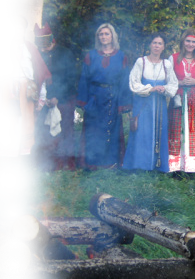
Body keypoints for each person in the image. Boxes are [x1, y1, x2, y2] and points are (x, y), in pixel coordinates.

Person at [77, 23, 131, 169]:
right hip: (95, 97)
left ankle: (111, 164)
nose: (104, 37)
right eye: (101, 34)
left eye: (107, 34)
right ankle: (92, 163)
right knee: (93, 131)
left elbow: (124, 81)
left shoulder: (121, 56)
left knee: (111, 131)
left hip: (113, 97)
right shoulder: (91, 55)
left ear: (112, 36)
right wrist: (83, 101)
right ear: (98, 37)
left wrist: (123, 103)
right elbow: (84, 78)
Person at [1, 15, 51, 171]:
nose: (17, 32)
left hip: (26, 92)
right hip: (6, 92)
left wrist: (41, 97)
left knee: (23, 126)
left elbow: (39, 74)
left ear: (24, 30)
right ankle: (5, 160)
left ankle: (18, 161)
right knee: (6, 126)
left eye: (20, 29)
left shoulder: (30, 49)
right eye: (14, 29)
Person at [122, 33, 178, 173]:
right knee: (141, 132)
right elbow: (133, 83)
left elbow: (173, 84)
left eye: (159, 43)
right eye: (154, 43)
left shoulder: (167, 64)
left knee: (159, 132)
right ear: (150, 45)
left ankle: (157, 165)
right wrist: (150, 89)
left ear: (163, 46)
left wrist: (164, 89)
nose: (156, 46)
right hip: (143, 104)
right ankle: (139, 166)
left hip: (159, 105)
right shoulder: (141, 62)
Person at [32, 22, 78, 172]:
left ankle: (65, 163)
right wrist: (42, 98)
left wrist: (58, 97)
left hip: (64, 99)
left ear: (52, 40)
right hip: (44, 100)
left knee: (65, 131)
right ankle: (46, 164)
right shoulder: (38, 54)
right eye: (41, 47)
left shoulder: (65, 53)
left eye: (45, 46)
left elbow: (71, 78)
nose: (43, 49)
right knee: (44, 132)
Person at [168, 28, 195, 175]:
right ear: (183, 41)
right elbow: (167, 79)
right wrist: (179, 83)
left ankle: (192, 169)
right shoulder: (173, 58)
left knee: (193, 132)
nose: (190, 44)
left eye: (193, 41)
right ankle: (175, 168)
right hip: (178, 100)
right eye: (188, 41)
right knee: (176, 132)